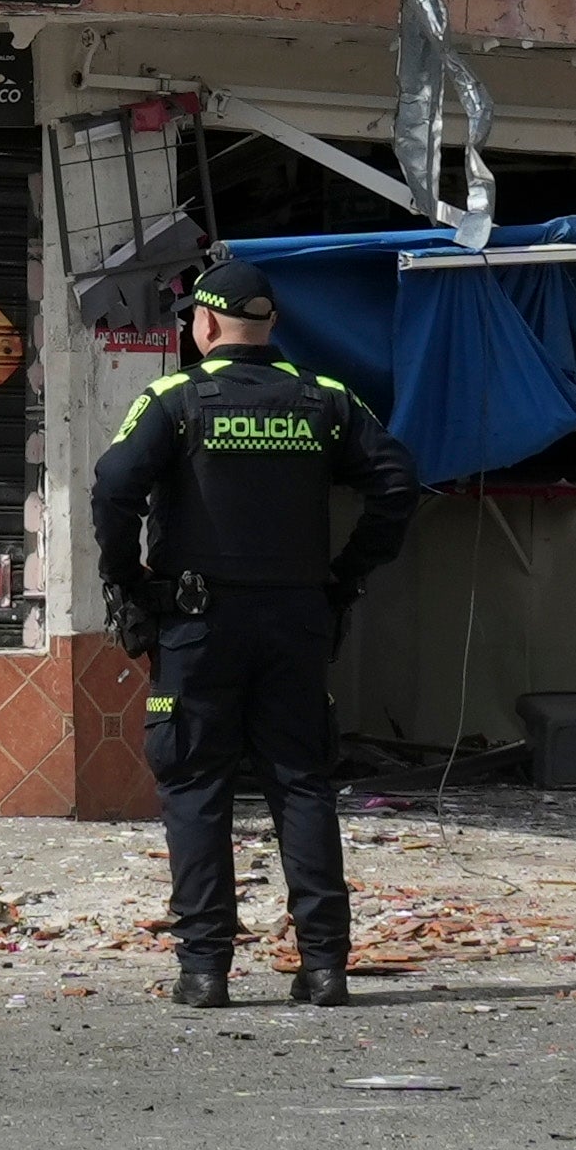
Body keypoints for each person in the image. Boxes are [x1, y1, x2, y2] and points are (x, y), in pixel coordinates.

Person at [88, 256, 419, 1007]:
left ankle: (205, 971)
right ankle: (326, 966)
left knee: (197, 785)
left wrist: (127, 580)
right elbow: (397, 484)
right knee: (301, 783)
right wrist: (346, 573)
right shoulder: (325, 398)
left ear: (203, 324)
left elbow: (113, 486)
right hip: (298, 619)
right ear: (271, 326)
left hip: (198, 626)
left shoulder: (176, 398)